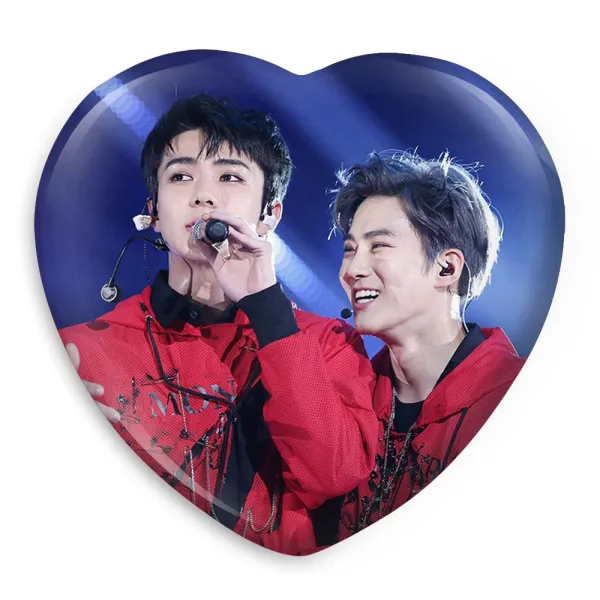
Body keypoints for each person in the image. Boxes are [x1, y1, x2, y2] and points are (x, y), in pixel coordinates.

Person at [59, 94, 379, 555]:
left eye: (229, 176)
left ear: (270, 214)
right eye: (180, 176)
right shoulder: (84, 352)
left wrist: (267, 309)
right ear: (153, 211)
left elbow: (333, 475)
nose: (203, 195)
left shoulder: (327, 343)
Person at [328, 149, 525, 541]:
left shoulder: (517, 395)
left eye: (378, 246)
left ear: (446, 268)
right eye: (349, 249)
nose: (351, 270)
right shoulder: (347, 398)